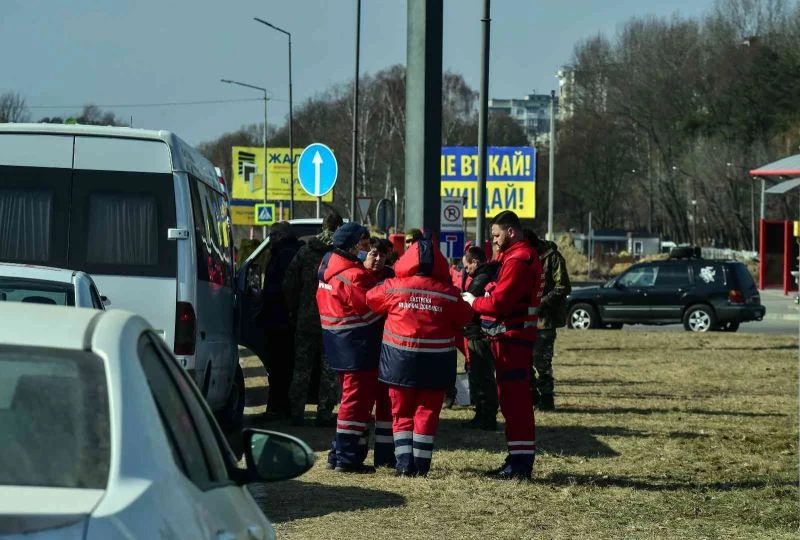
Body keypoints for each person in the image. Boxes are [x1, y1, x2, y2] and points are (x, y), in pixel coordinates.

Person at [366, 238, 473, 477]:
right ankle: (422, 465)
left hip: (399, 361)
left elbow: (370, 299)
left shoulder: (394, 287)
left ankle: (404, 464)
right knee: (427, 411)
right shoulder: (449, 294)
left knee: (401, 412)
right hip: (436, 363)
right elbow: (466, 316)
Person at [462, 210, 543, 481]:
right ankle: (516, 457)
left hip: (513, 340)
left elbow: (500, 303)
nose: (494, 241)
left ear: (511, 231)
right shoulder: (517, 257)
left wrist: (474, 302)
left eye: (496, 235)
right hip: (513, 338)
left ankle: (520, 464)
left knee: (515, 403)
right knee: (512, 401)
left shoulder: (518, 260)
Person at [317, 222, 385, 473]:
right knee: (356, 404)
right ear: (354, 245)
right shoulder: (354, 275)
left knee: (349, 400)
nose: (367, 247)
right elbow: (371, 310)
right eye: (364, 242)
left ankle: (338, 453)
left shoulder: (328, 267)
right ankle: (346, 459)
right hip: (357, 345)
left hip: (337, 343)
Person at [283, 214, 343, 427]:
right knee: (329, 370)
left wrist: (294, 309)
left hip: (306, 318)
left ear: (323, 226)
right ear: (338, 227)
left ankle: (297, 413)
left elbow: (289, 282)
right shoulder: (338, 253)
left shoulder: (305, 250)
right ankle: (324, 413)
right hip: (331, 319)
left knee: (302, 368)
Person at [260, 222, 304, 419]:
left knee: (279, 367)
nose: (270, 239)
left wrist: (266, 297)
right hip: (286, 318)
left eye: (272, 235)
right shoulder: (292, 252)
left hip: (281, 319)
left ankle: (279, 407)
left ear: (280, 236)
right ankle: (281, 407)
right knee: (284, 366)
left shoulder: (284, 254)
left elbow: (284, 287)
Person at [524, 229, 571, 411]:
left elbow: (563, 286)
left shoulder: (552, 258)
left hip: (545, 319)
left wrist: (541, 303)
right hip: (525, 317)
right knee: (524, 359)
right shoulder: (524, 258)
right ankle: (532, 396)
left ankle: (546, 398)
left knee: (541, 360)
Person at [461, 246, 500, 430]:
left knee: (482, 375)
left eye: (467, 267)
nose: (466, 271)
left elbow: (468, 303)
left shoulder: (481, 278)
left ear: (475, 262)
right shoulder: (489, 274)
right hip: (481, 332)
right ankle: (482, 413)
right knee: (480, 375)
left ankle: (487, 416)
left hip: (478, 334)